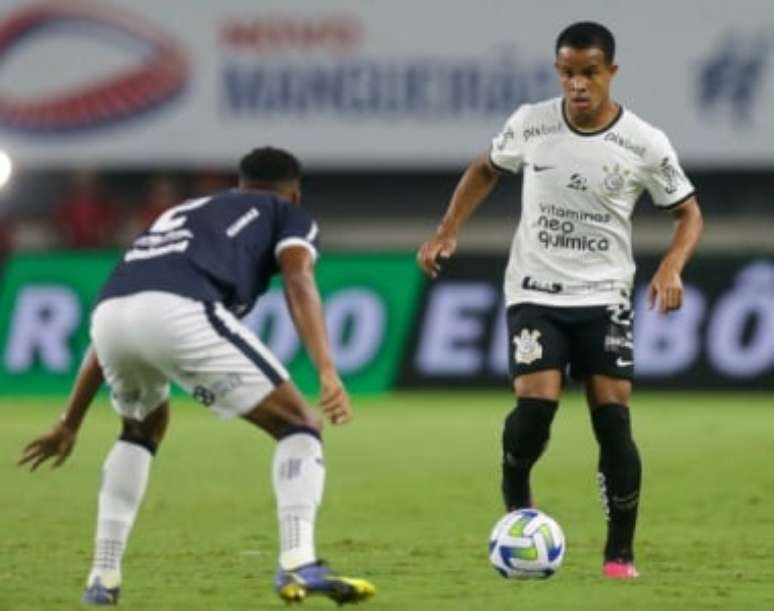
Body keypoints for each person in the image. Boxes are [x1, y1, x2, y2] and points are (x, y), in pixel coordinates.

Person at [19, 147, 376, 605]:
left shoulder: (185, 212)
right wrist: (327, 369)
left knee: (142, 427)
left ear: (240, 184)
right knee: (300, 423)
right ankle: (298, 560)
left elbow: (122, 321)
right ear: (295, 191)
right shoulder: (287, 212)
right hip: (180, 309)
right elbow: (298, 277)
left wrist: (70, 422)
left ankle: (101, 579)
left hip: (109, 315)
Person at [417, 22, 703, 579]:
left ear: (611, 73)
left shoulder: (644, 142)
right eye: (568, 72)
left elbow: (689, 212)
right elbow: (484, 170)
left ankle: (620, 553)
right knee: (533, 413)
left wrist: (671, 265)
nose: (578, 84)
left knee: (613, 422)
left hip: (604, 298)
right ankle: (518, 498)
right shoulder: (532, 123)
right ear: (559, 71)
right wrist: (448, 229)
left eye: (589, 73)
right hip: (535, 292)